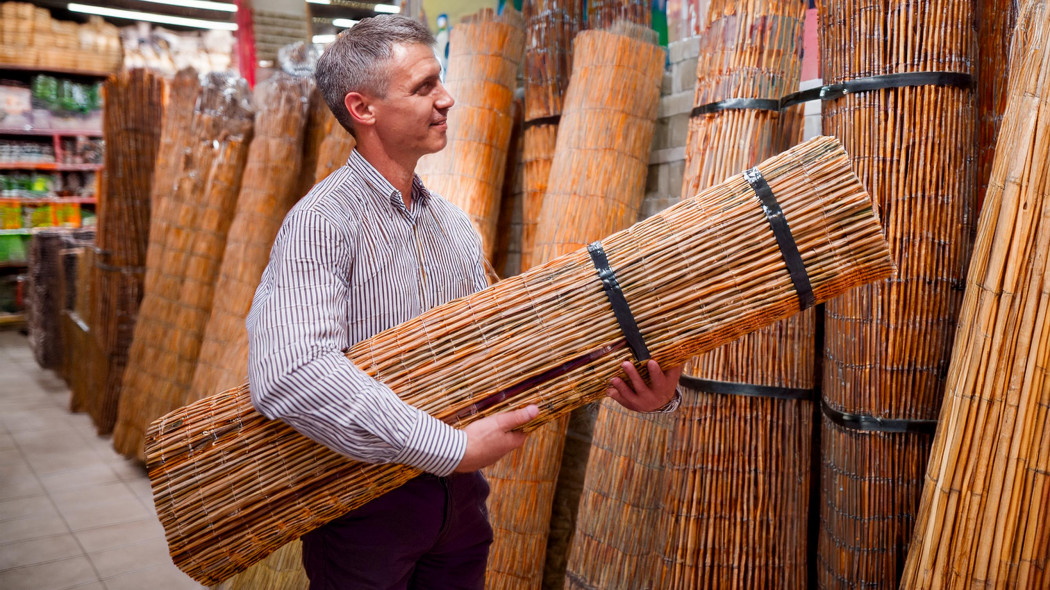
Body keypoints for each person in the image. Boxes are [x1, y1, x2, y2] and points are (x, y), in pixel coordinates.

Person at [246, 14, 682, 590]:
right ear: (363, 108)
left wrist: (640, 390)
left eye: (440, 81)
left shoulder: (452, 227)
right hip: (365, 508)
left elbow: (506, 349)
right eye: (423, 87)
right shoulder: (322, 223)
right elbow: (289, 373)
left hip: (461, 506)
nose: (446, 98)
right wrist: (448, 446)